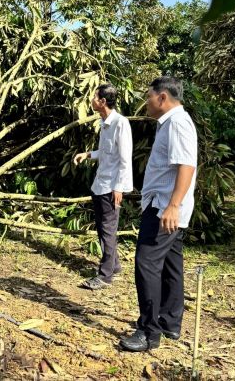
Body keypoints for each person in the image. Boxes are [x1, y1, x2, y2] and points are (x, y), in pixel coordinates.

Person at [120, 76, 198, 352]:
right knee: (170, 265)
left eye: (149, 96)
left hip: (164, 207)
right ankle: (170, 323)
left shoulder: (176, 123)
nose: (146, 102)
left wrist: (173, 205)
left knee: (147, 264)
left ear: (162, 97)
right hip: (166, 206)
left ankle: (149, 331)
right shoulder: (173, 123)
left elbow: (186, 166)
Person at [73, 83, 133, 289]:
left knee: (108, 229)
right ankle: (114, 265)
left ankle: (105, 276)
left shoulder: (120, 123)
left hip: (111, 186)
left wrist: (119, 188)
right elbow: (106, 152)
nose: (91, 100)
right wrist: (88, 154)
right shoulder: (105, 122)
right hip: (100, 183)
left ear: (102, 102)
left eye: (94, 97)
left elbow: (125, 159)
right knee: (102, 228)